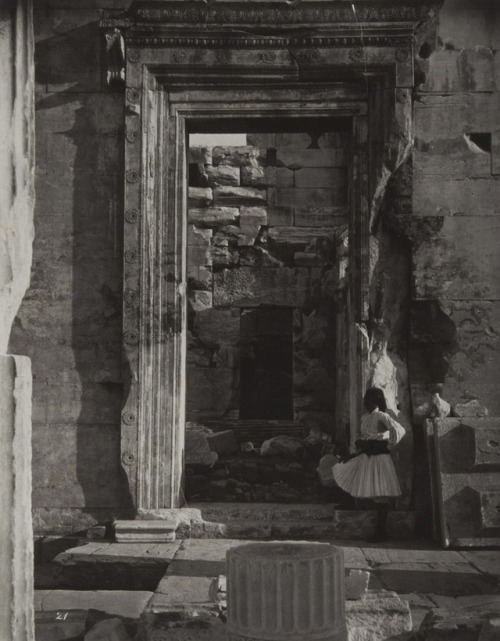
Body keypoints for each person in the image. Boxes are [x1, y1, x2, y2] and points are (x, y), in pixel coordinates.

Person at [332, 387, 405, 542]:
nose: (367, 403)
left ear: (377, 401)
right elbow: (364, 439)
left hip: (379, 458)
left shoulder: (381, 416)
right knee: (345, 468)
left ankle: (380, 532)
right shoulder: (365, 417)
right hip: (367, 455)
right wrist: (355, 453)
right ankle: (347, 503)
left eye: (371, 400)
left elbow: (398, 429)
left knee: (380, 493)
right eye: (367, 400)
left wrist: (386, 441)